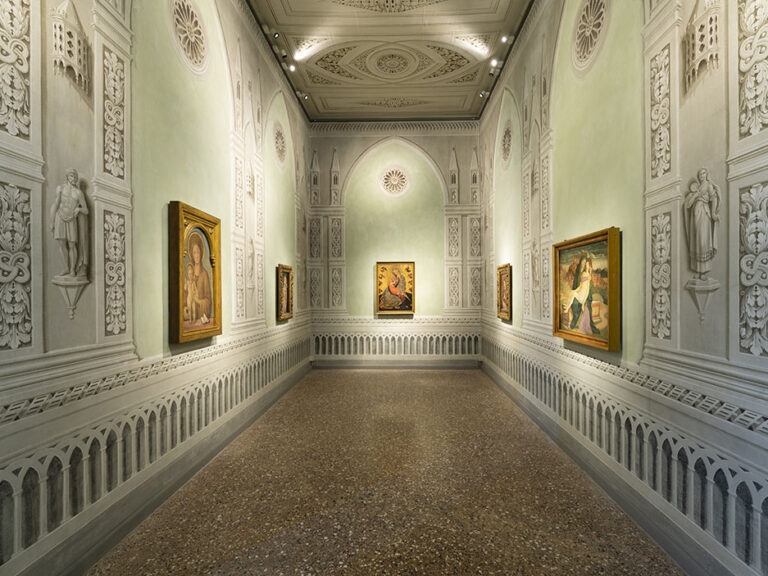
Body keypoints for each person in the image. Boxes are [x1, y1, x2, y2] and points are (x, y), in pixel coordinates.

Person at [50, 168, 89, 277]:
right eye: (72, 175)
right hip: (60, 216)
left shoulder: (79, 193)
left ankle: (72, 270)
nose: (74, 178)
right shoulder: (60, 188)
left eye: (75, 176)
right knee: (62, 243)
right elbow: (55, 204)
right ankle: (66, 268)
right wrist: (51, 221)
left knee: (72, 244)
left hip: (72, 219)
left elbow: (86, 210)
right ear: (67, 177)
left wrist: (79, 209)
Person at [683, 168, 720, 279]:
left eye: (703, 173)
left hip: (704, 213)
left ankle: (704, 270)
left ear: (706, 174)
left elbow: (714, 198)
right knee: (697, 241)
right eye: (700, 174)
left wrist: (713, 213)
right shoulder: (697, 188)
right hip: (695, 216)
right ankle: (698, 270)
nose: (701, 175)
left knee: (703, 241)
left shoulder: (708, 185)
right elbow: (688, 204)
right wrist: (694, 196)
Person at [562, 254, 598, 335]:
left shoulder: (588, 276)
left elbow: (587, 289)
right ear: (581, 262)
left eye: (586, 263)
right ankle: (571, 318)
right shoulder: (580, 273)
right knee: (574, 301)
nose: (584, 264)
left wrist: (584, 300)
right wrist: (574, 291)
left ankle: (574, 321)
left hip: (584, 296)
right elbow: (579, 285)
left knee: (581, 305)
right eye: (583, 262)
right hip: (579, 293)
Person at [185, 233, 212, 325]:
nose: (196, 255)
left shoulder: (204, 274)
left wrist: (198, 301)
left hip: (201, 316)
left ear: (201, 253)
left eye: (198, 252)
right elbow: (185, 295)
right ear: (192, 255)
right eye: (194, 253)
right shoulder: (189, 273)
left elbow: (208, 301)